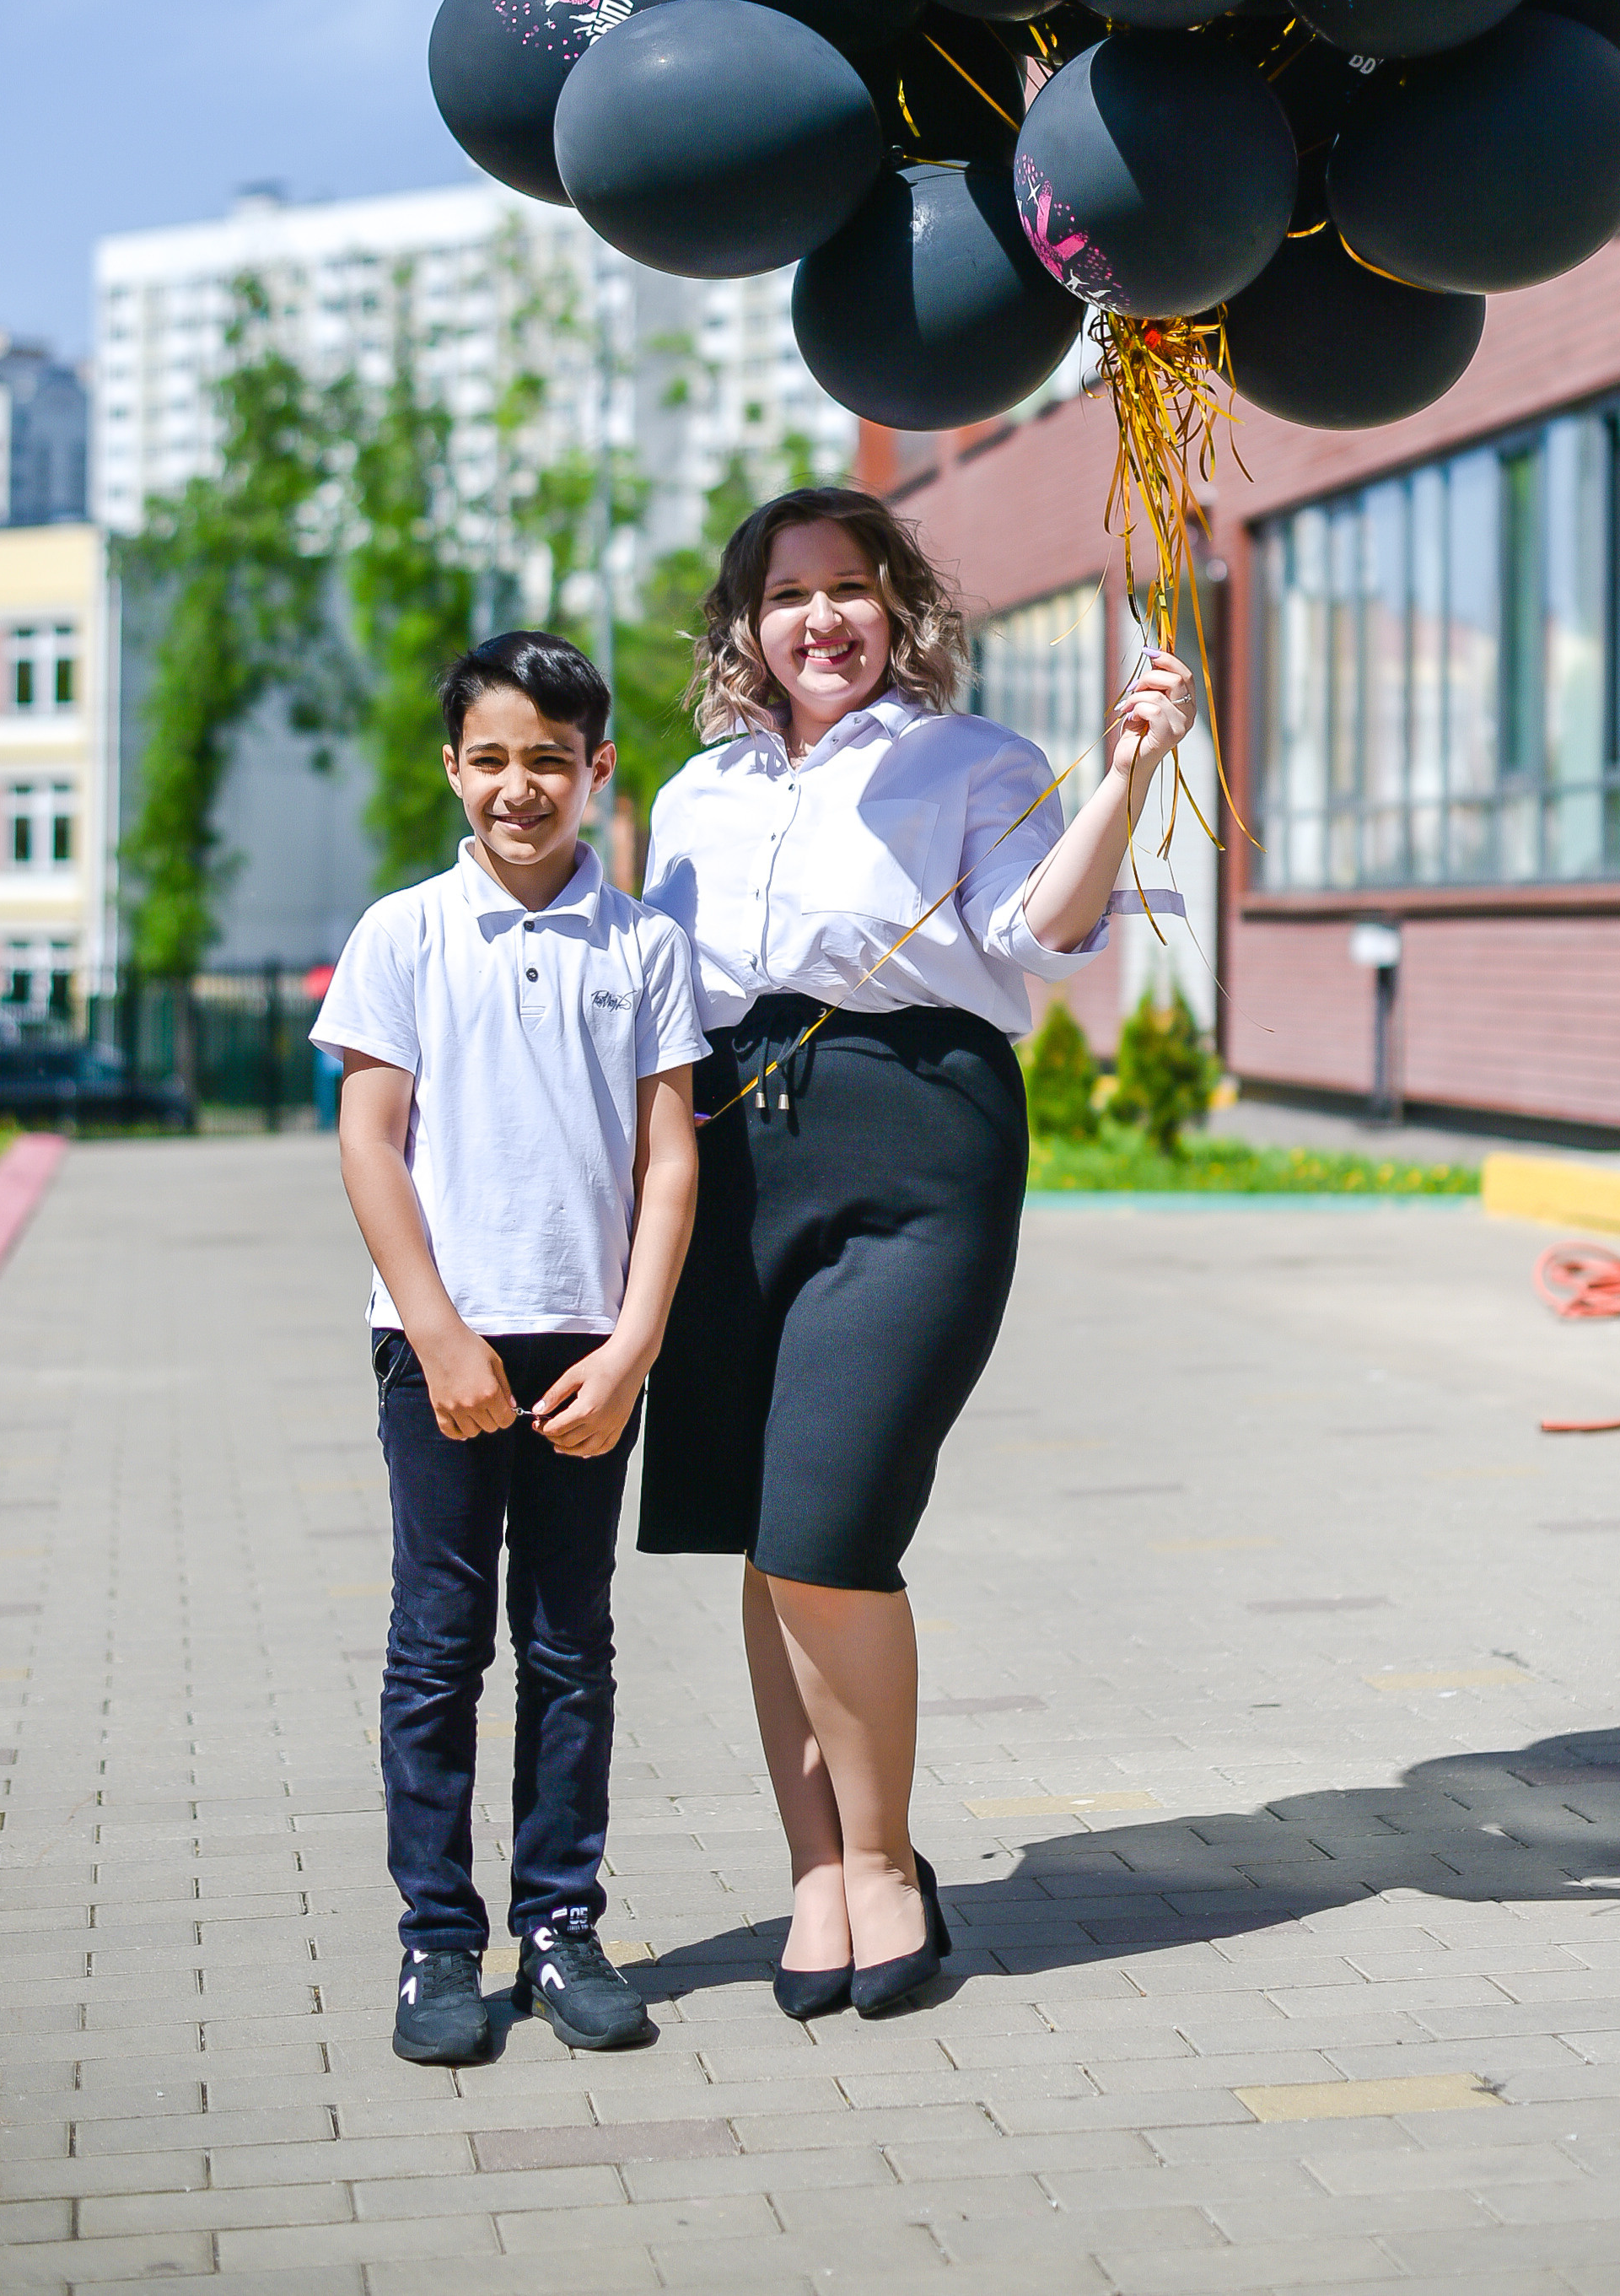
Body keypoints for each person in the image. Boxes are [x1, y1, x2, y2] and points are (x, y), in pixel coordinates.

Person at [639, 487, 1196, 2019]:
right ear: (745, 626)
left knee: (828, 1527)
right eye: (787, 593)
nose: (821, 619)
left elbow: (1039, 928)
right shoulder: (692, 795)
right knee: (763, 1538)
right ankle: (812, 1870)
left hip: (921, 1138)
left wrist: (1133, 772)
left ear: (901, 607)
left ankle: (884, 1865)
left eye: (851, 588)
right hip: (737, 1146)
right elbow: (650, 992)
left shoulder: (978, 759)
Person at [311, 630, 705, 2066]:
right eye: (492, 759)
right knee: (435, 1647)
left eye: (551, 760)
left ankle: (560, 1926)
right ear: (451, 768)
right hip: (442, 1348)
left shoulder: (647, 944)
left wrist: (636, 1346)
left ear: (600, 771)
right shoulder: (403, 933)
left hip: (591, 1352)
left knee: (569, 1642)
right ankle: (436, 1945)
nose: (520, 788)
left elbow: (670, 1159)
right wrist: (439, 1331)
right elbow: (370, 1139)